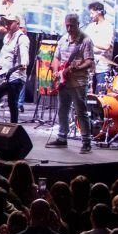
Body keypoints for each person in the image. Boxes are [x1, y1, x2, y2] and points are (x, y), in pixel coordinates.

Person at [46, 13, 95, 154]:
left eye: (71, 25)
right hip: (63, 81)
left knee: (81, 112)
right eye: (67, 25)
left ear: (78, 24)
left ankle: (86, 142)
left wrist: (75, 68)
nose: (69, 28)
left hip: (78, 82)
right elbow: (56, 58)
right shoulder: (63, 39)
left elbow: (89, 61)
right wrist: (57, 72)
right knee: (62, 109)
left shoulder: (85, 41)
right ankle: (62, 137)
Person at [0, 12, 30, 123]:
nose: (7, 24)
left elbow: (25, 55)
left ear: (17, 23)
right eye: (6, 21)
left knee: (12, 102)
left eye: (10, 22)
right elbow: (4, 54)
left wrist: (23, 64)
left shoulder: (22, 38)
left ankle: (13, 128)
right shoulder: (7, 37)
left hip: (16, 77)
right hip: (5, 75)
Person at [84, 2, 116, 89]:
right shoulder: (90, 27)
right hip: (89, 68)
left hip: (102, 69)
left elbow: (106, 46)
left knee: (99, 98)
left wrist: (91, 42)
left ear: (99, 12)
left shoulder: (108, 26)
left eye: (92, 13)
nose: (90, 16)